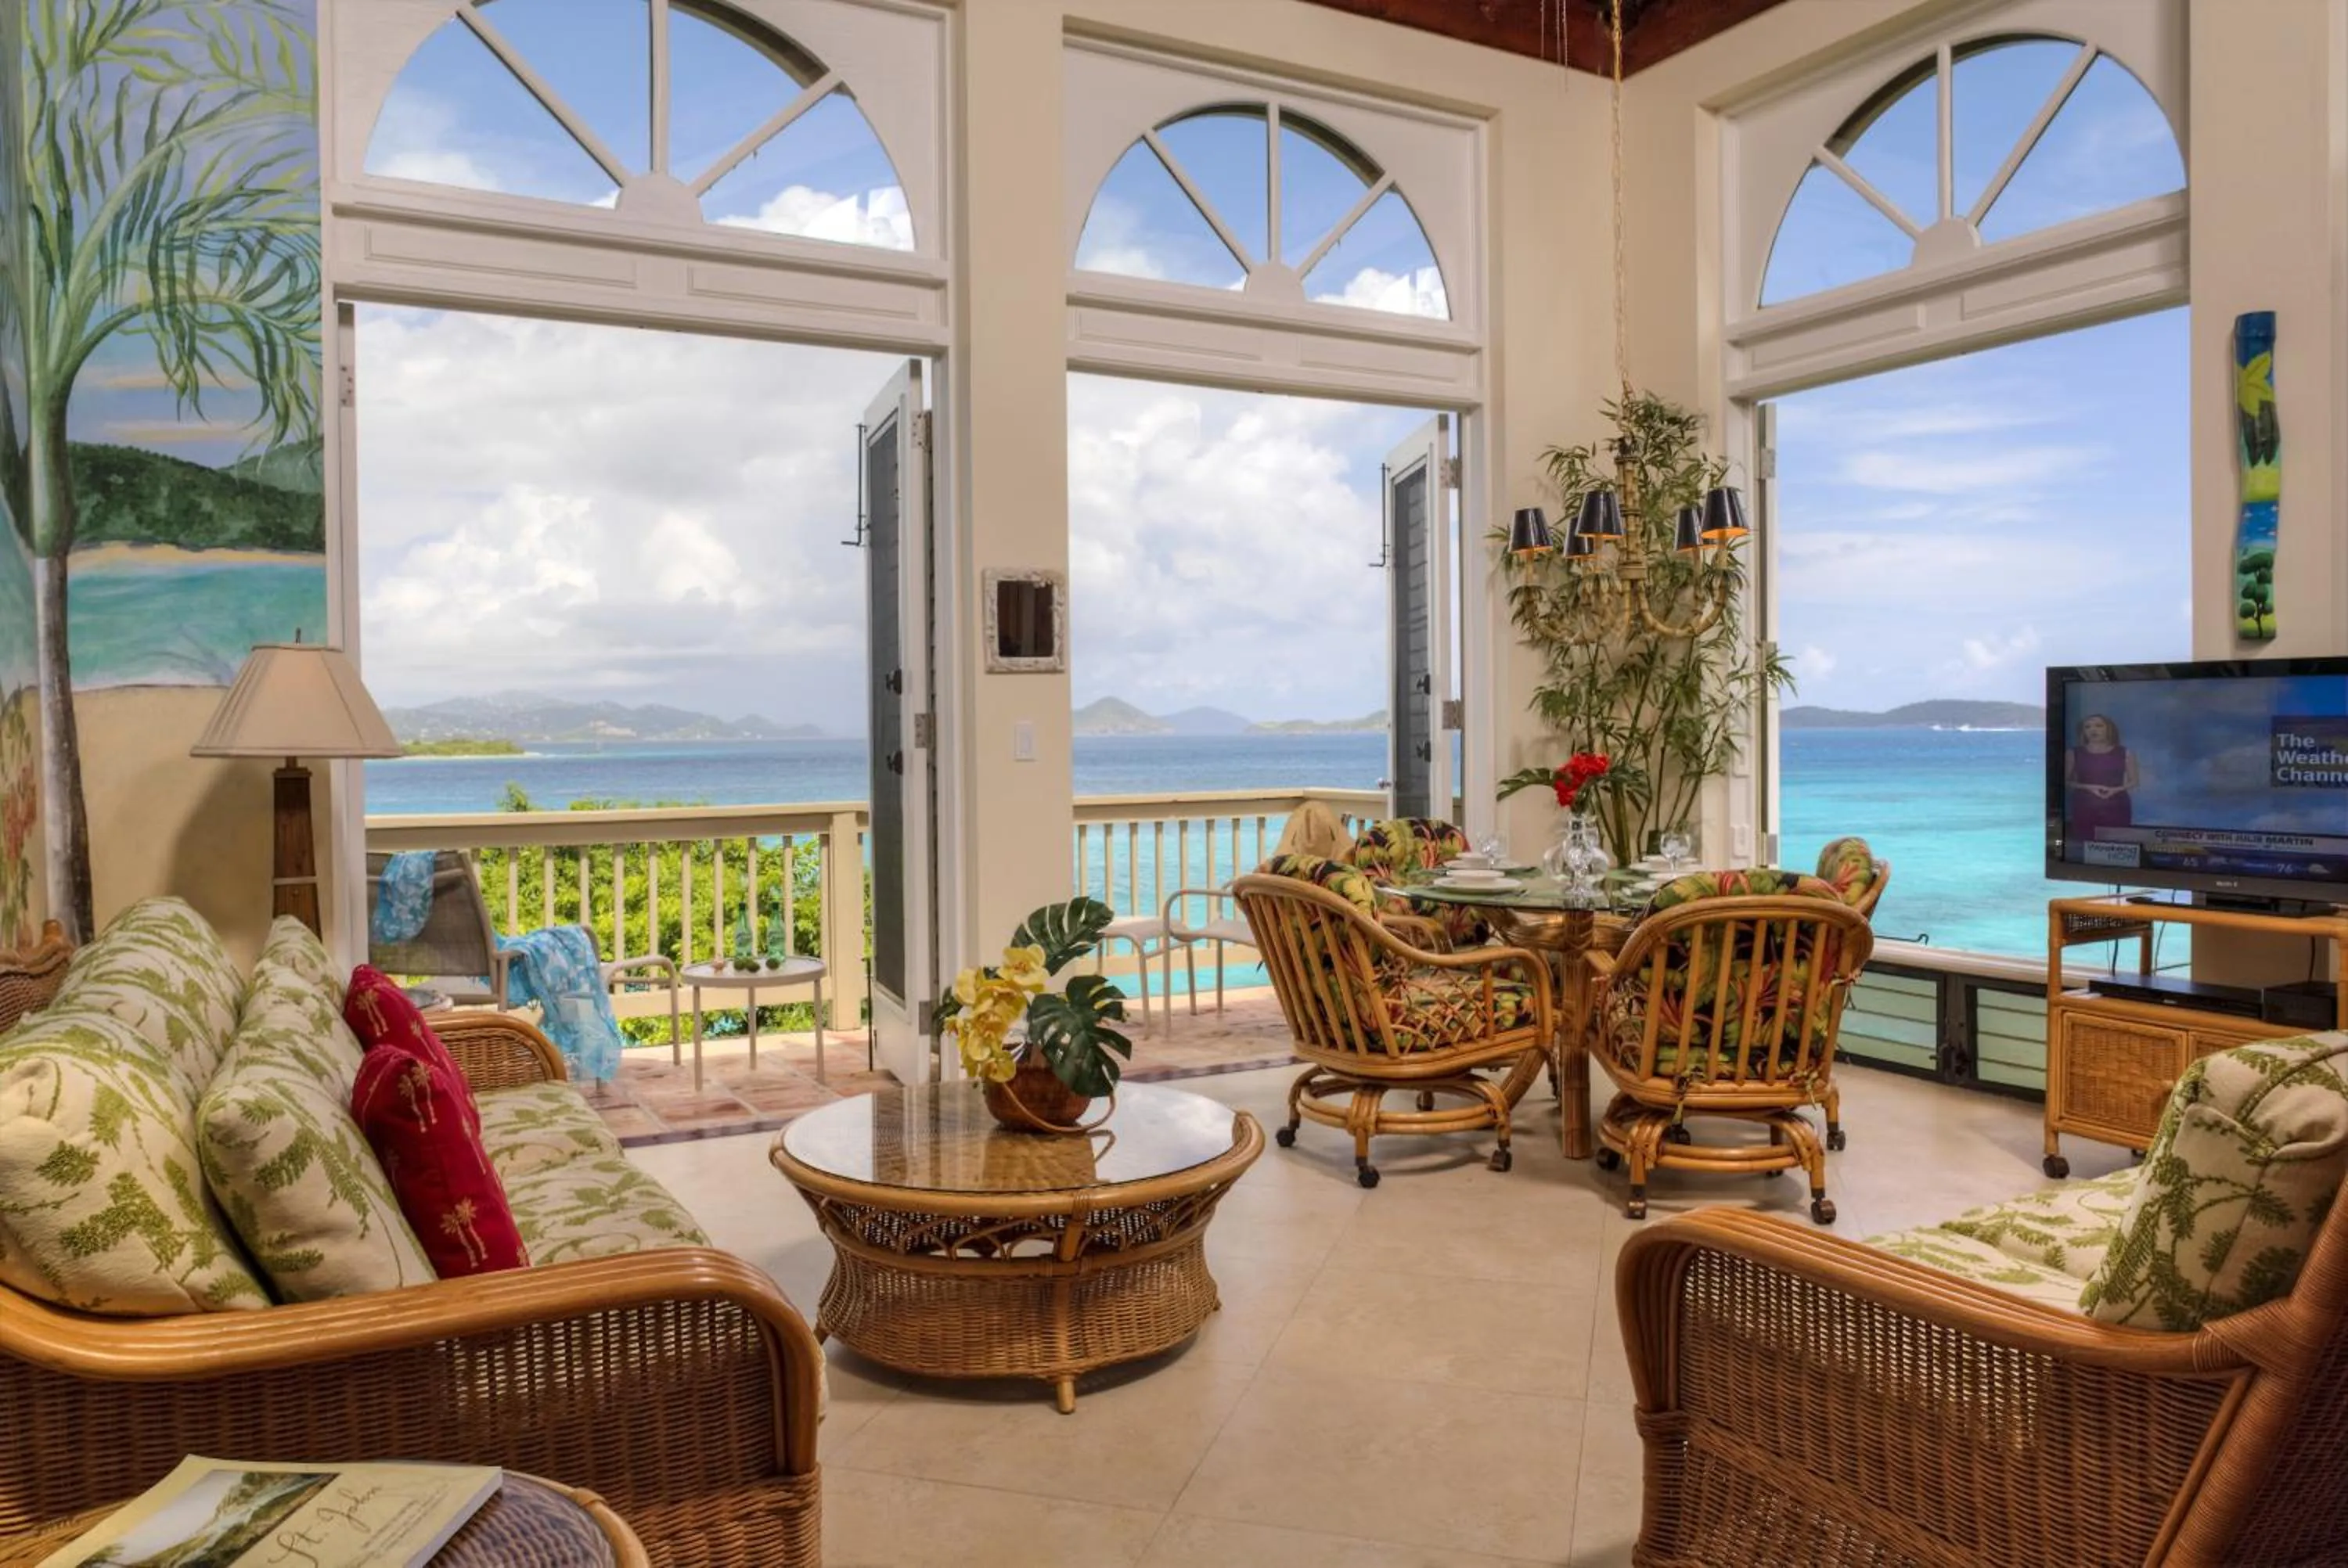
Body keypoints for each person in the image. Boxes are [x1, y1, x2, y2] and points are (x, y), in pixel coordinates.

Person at [2065, 713, 2139, 840]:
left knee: (2116, 846)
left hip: (2117, 806)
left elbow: (2134, 781)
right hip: (2084, 807)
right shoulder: (2073, 753)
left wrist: (2115, 790)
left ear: (2108, 729)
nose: (2093, 730)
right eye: (2087, 727)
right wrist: (2089, 787)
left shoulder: (2125, 753)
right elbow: (2065, 781)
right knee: (2084, 844)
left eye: (2099, 726)